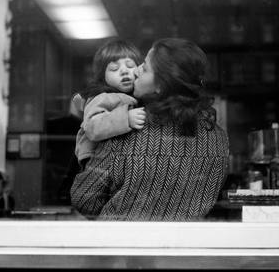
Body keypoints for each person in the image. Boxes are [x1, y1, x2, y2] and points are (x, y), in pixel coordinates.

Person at [70, 38, 230, 221]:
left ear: (161, 86)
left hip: (124, 243)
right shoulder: (219, 139)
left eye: (144, 68)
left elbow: (85, 198)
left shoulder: (128, 129)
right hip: (184, 244)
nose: (135, 71)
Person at [71, 39, 146, 169]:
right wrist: (126, 118)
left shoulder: (137, 95)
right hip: (95, 159)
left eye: (130, 66)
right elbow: (92, 126)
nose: (124, 71)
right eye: (114, 68)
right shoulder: (102, 97)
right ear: (103, 76)